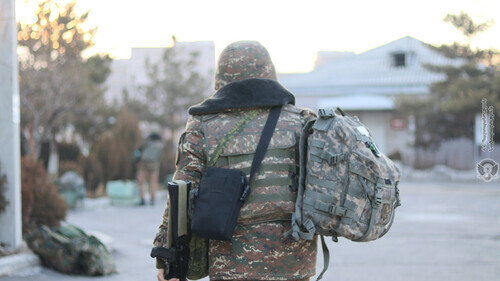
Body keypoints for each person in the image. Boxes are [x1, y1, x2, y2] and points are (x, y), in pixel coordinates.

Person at [153, 41, 317, 281]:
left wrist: (166, 256)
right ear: (269, 72)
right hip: (295, 261)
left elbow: (181, 193)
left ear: (221, 77)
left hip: (232, 263)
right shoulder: (302, 121)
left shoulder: (204, 124)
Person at [135, 132, 164, 205]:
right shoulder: (161, 145)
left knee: (141, 181)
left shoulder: (146, 142)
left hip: (144, 164)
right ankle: (152, 199)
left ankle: (142, 199)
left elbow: (137, 149)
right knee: (153, 181)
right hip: (154, 165)